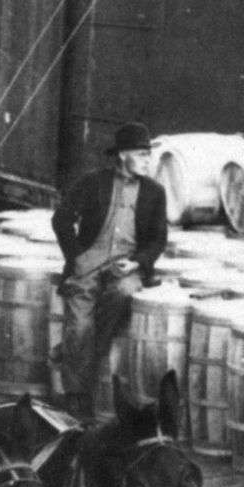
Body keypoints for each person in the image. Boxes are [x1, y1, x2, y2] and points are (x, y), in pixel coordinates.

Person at [51, 121, 170, 419]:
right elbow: (61, 219)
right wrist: (75, 257)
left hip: (125, 266)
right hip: (87, 266)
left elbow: (158, 238)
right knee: (79, 325)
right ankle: (76, 398)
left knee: (125, 290)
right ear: (122, 155)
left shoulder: (154, 192)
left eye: (148, 154)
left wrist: (137, 263)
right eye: (141, 154)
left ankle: (74, 354)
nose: (147, 160)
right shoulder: (94, 182)